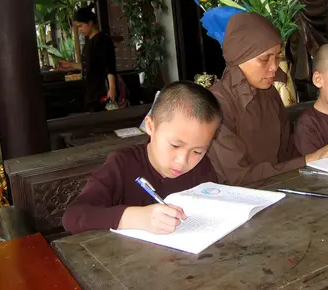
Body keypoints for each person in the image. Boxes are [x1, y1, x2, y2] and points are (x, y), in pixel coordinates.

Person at [62, 81, 221, 234]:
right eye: (175, 145)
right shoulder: (122, 164)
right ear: (150, 127)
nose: (183, 161)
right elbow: (73, 217)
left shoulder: (202, 168)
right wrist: (137, 218)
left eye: (198, 152)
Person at [207, 12, 316, 185]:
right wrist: (310, 159)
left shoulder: (269, 93)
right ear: (239, 57)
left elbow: (287, 153)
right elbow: (238, 177)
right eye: (264, 59)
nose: (274, 67)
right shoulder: (216, 103)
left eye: (277, 57)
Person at [59, 7, 120, 112]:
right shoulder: (89, 42)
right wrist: (71, 65)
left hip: (102, 91)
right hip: (91, 92)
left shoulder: (102, 40)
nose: (79, 30)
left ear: (90, 23)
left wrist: (112, 88)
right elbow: (89, 66)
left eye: (81, 26)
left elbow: (109, 66)